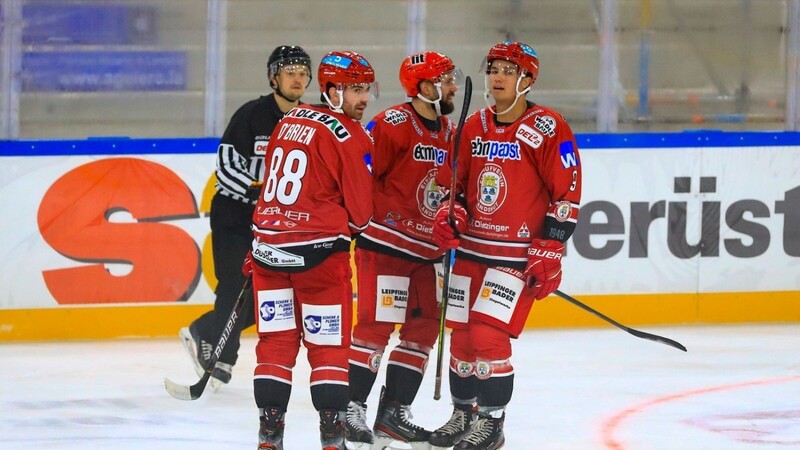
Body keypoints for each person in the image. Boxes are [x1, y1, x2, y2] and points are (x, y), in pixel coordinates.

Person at [428, 41, 583, 450]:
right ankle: (464, 415)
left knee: (487, 336)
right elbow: (454, 187)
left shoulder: (550, 128)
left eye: (507, 71)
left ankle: (492, 424)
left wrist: (550, 249)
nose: (496, 77)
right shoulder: (473, 125)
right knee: (461, 336)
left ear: (527, 80)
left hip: (513, 257)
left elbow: (566, 197)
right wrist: (452, 213)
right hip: (469, 253)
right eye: (493, 69)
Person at [246, 50, 377, 450]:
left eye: (366, 89)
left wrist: (266, 239)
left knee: (275, 344)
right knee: (329, 349)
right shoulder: (350, 135)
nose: (364, 99)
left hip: (267, 251)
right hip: (319, 260)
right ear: (332, 90)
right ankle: (332, 438)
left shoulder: (289, 120)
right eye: (355, 89)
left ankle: (270, 436)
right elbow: (361, 214)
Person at [342, 52, 462, 449]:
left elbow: (450, 188)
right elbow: (360, 175)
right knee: (376, 326)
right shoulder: (392, 124)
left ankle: (393, 413)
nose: (453, 87)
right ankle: (351, 408)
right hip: (386, 245)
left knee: (423, 331)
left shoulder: (449, 131)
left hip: (428, 253)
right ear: (425, 87)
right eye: (446, 80)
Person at [179, 45, 313, 390]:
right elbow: (225, 167)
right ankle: (221, 355)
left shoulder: (310, 120)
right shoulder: (250, 115)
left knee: (274, 295)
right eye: (289, 71)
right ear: (274, 78)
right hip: (235, 216)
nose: (297, 78)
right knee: (236, 284)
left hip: (277, 225)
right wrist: (259, 191)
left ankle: (208, 328)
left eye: (302, 71)